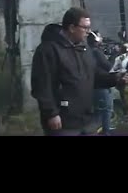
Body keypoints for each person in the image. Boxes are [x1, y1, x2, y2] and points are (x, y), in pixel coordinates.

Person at [31, 7, 121, 136]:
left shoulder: (84, 49)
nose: (88, 32)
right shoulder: (48, 50)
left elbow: (94, 77)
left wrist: (116, 78)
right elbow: (41, 85)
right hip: (63, 123)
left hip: (86, 121)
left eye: (89, 27)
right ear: (72, 28)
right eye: (85, 28)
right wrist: (51, 113)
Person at [87, 31, 114, 135]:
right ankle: (105, 132)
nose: (101, 38)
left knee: (99, 111)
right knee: (105, 111)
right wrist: (115, 54)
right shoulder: (95, 52)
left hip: (95, 86)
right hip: (101, 86)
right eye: (99, 36)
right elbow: (108, 66)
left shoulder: (89, 51)